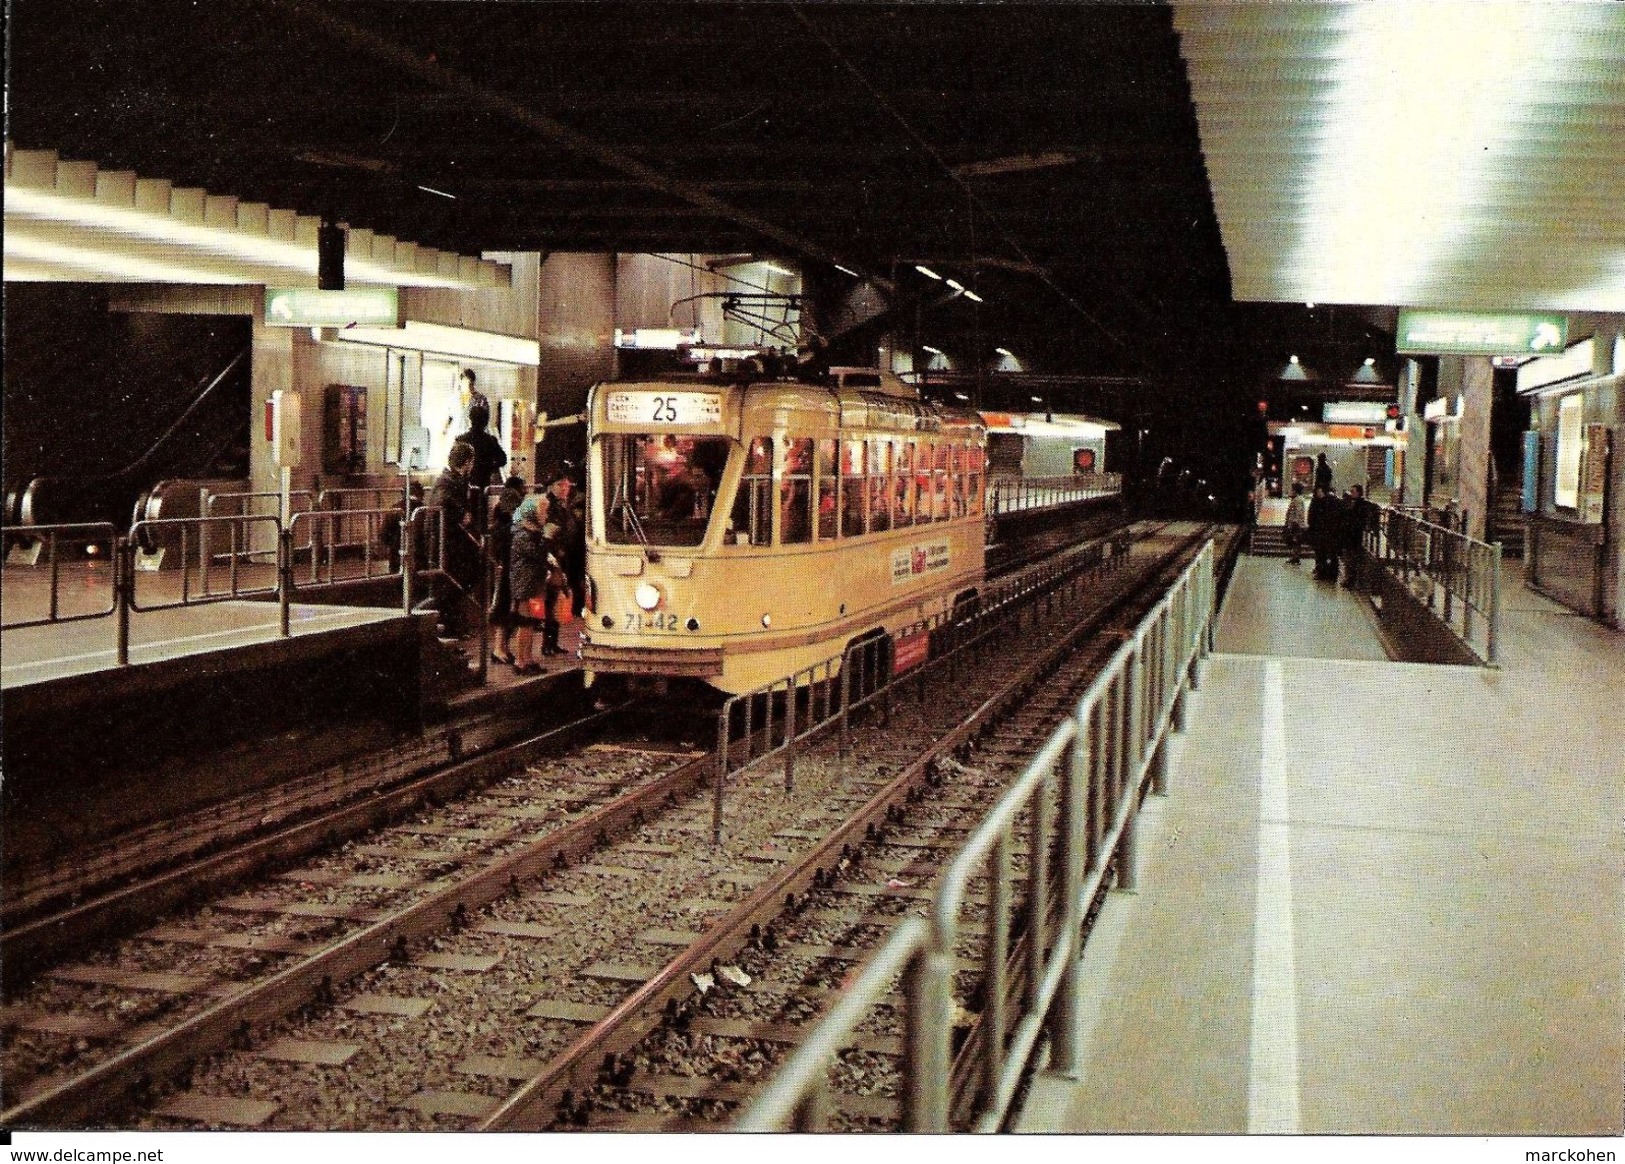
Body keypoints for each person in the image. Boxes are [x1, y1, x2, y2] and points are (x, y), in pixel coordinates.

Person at [508, 495, 566, 671]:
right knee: (525, 623)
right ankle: (521, 660)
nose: (546, 515)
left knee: (531, 622)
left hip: (534, 582)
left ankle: (528, 658)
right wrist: (547, 537)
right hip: (526, 584)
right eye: (543, 511)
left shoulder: (533, 533)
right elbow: (538, 554)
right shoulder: (522, 535)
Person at [431, 440, 480, 637]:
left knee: (461, 579)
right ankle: (449, 626)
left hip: (452, 540)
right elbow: (443, 502)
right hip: (447, 541)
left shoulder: (453, 480)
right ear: (467, 461)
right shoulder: (448, 482)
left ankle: (453, 625)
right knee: (452, 583)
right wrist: (462, 514)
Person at [486, 476, 526, 665]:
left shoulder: (500, 524)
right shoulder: (506, 527)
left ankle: (502, 647)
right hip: (508, 570)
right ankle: (499, 648)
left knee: (508, 608)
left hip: (510, 569)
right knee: (505, 608)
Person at [455, 402, 507, 531]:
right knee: (481, 522)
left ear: (470, 419)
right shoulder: (490, 441)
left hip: (463, 487)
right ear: (486, 421)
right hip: (483, 486)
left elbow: (453, 462)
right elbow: (502, 459)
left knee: (463, 523)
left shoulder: (461, 440)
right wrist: (490, 466)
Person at [544, 472, 586, 618]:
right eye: (560, 485)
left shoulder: (564, 505)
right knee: (554, 594)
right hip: (557, 554)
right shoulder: (548, 506)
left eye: (567, 485)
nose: (564, 488)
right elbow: (550, 532)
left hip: (568, 552)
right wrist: (558, 549)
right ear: (550, 487)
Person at [1340, 484, 1373, 588]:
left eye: (1353, 491)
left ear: (1359, 492)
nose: (1352, 493)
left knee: (1352, 558)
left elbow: (1359, 520)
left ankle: (1351, 579)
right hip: (1348, 534)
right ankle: (1348, 578)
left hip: (1355, 535)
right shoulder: (1350, 502)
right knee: (1348, 557)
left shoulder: (1362, 505)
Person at [1307, 484, 1340, 582]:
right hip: (1328, 533)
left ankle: (1323, 572)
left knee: (1322, 554)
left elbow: (1314, 517)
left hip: (1324, 533)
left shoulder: (1322, 503)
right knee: (1329, 555)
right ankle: (1329, 574)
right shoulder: (1334, 503)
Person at [1283, 482, 1308, 565]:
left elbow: (1298, 512)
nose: (1290, 492)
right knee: (1295, 542)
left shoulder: (1298, 500)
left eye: (1291, 490)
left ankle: (1295, 557)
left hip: (1296, 525)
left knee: (1296, 541)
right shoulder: (1296, 499)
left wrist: (1294, 523)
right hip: (1295, 524)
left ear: (1295, 491)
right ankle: (1294, 556)